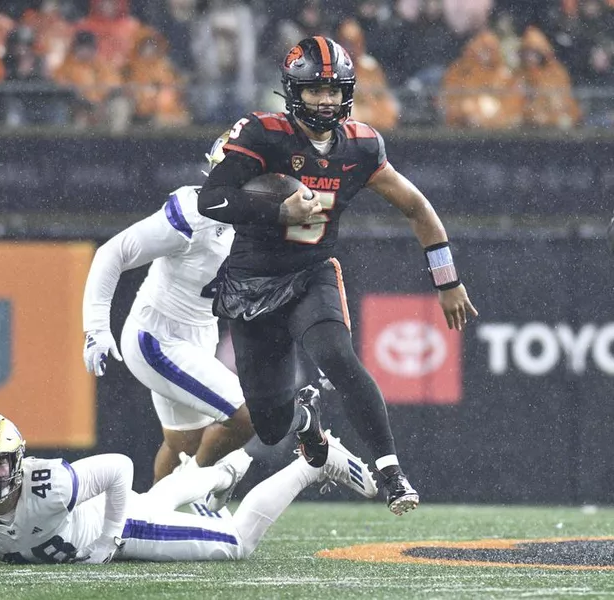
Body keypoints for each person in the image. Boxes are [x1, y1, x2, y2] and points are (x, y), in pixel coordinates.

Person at [197, 36, 479, 516]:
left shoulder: (363, 145)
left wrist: (447, 280)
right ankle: (306, 418)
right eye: (314, 91)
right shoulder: (261, 134)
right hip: (251, 283)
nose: (325, 100)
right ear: (292, 91)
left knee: (338, 356)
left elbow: (417, 207)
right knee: (269, 423)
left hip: (311, 272)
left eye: (334, 90)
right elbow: (210, 200)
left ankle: (391, 472)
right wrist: (275, 208)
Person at [0, 412, 377, 566]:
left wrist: (109, 539)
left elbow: (120, 468)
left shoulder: (50, 482)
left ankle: (315, 462)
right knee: (161, 496)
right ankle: (223, 473)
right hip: (96, 521)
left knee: (236, 545)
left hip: (110, 523)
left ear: (18, 462)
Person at [82, 133, 254, 485]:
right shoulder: (193, 214)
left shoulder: (271, 213)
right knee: (247, 416)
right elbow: (112, 254)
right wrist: (96, 328)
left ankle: (151, 520)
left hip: (202, 331)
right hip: (159, 336)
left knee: (181, 447)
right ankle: (204, 485)